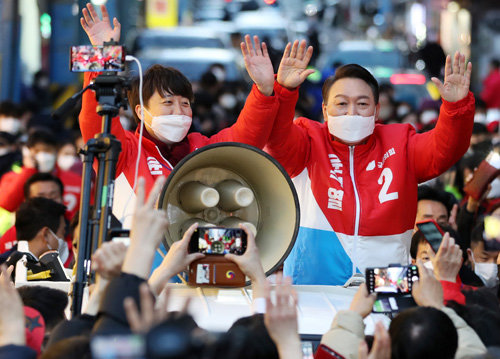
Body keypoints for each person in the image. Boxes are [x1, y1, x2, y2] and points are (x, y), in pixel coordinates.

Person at [265, 40, 474, 285]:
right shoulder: (307, 140)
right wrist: (283, 91)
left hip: (387, 285)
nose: (351, 111)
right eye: (341, 103)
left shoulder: (401, 143)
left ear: (376, 111)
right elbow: (276, 138)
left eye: (362, 104)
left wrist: (456, 107)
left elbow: (445, 149)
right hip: (314, 284)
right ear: (325, 110)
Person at [79, 3, 278, 227]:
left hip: (196, 256)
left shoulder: (203, 149)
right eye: (168, 102)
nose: (179, 111)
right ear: (141, 111)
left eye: (185, 103)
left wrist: (263, 91)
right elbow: (95, 123)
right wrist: (104, 55)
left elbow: (248, 137)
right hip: (138, 258)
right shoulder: (126, 151)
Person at [319, 260, 487, 359]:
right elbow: (472, 349)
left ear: (388, 347)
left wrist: (354, 313)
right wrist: (436, 305)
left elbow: (329, 354)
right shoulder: (474, 352)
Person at [0, 128, 81, 219]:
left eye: (47, 150)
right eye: (37, 151)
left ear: (56, 151)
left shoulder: (77, 181)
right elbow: (7, 205)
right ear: (28, 152)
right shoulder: (12, 178)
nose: (42, 155)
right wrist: (29, 170)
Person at [0, 197, 66, 278]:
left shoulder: (6, 263)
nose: (63, 240)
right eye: (62, 232)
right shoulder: (5, 269)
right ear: (46, 234)